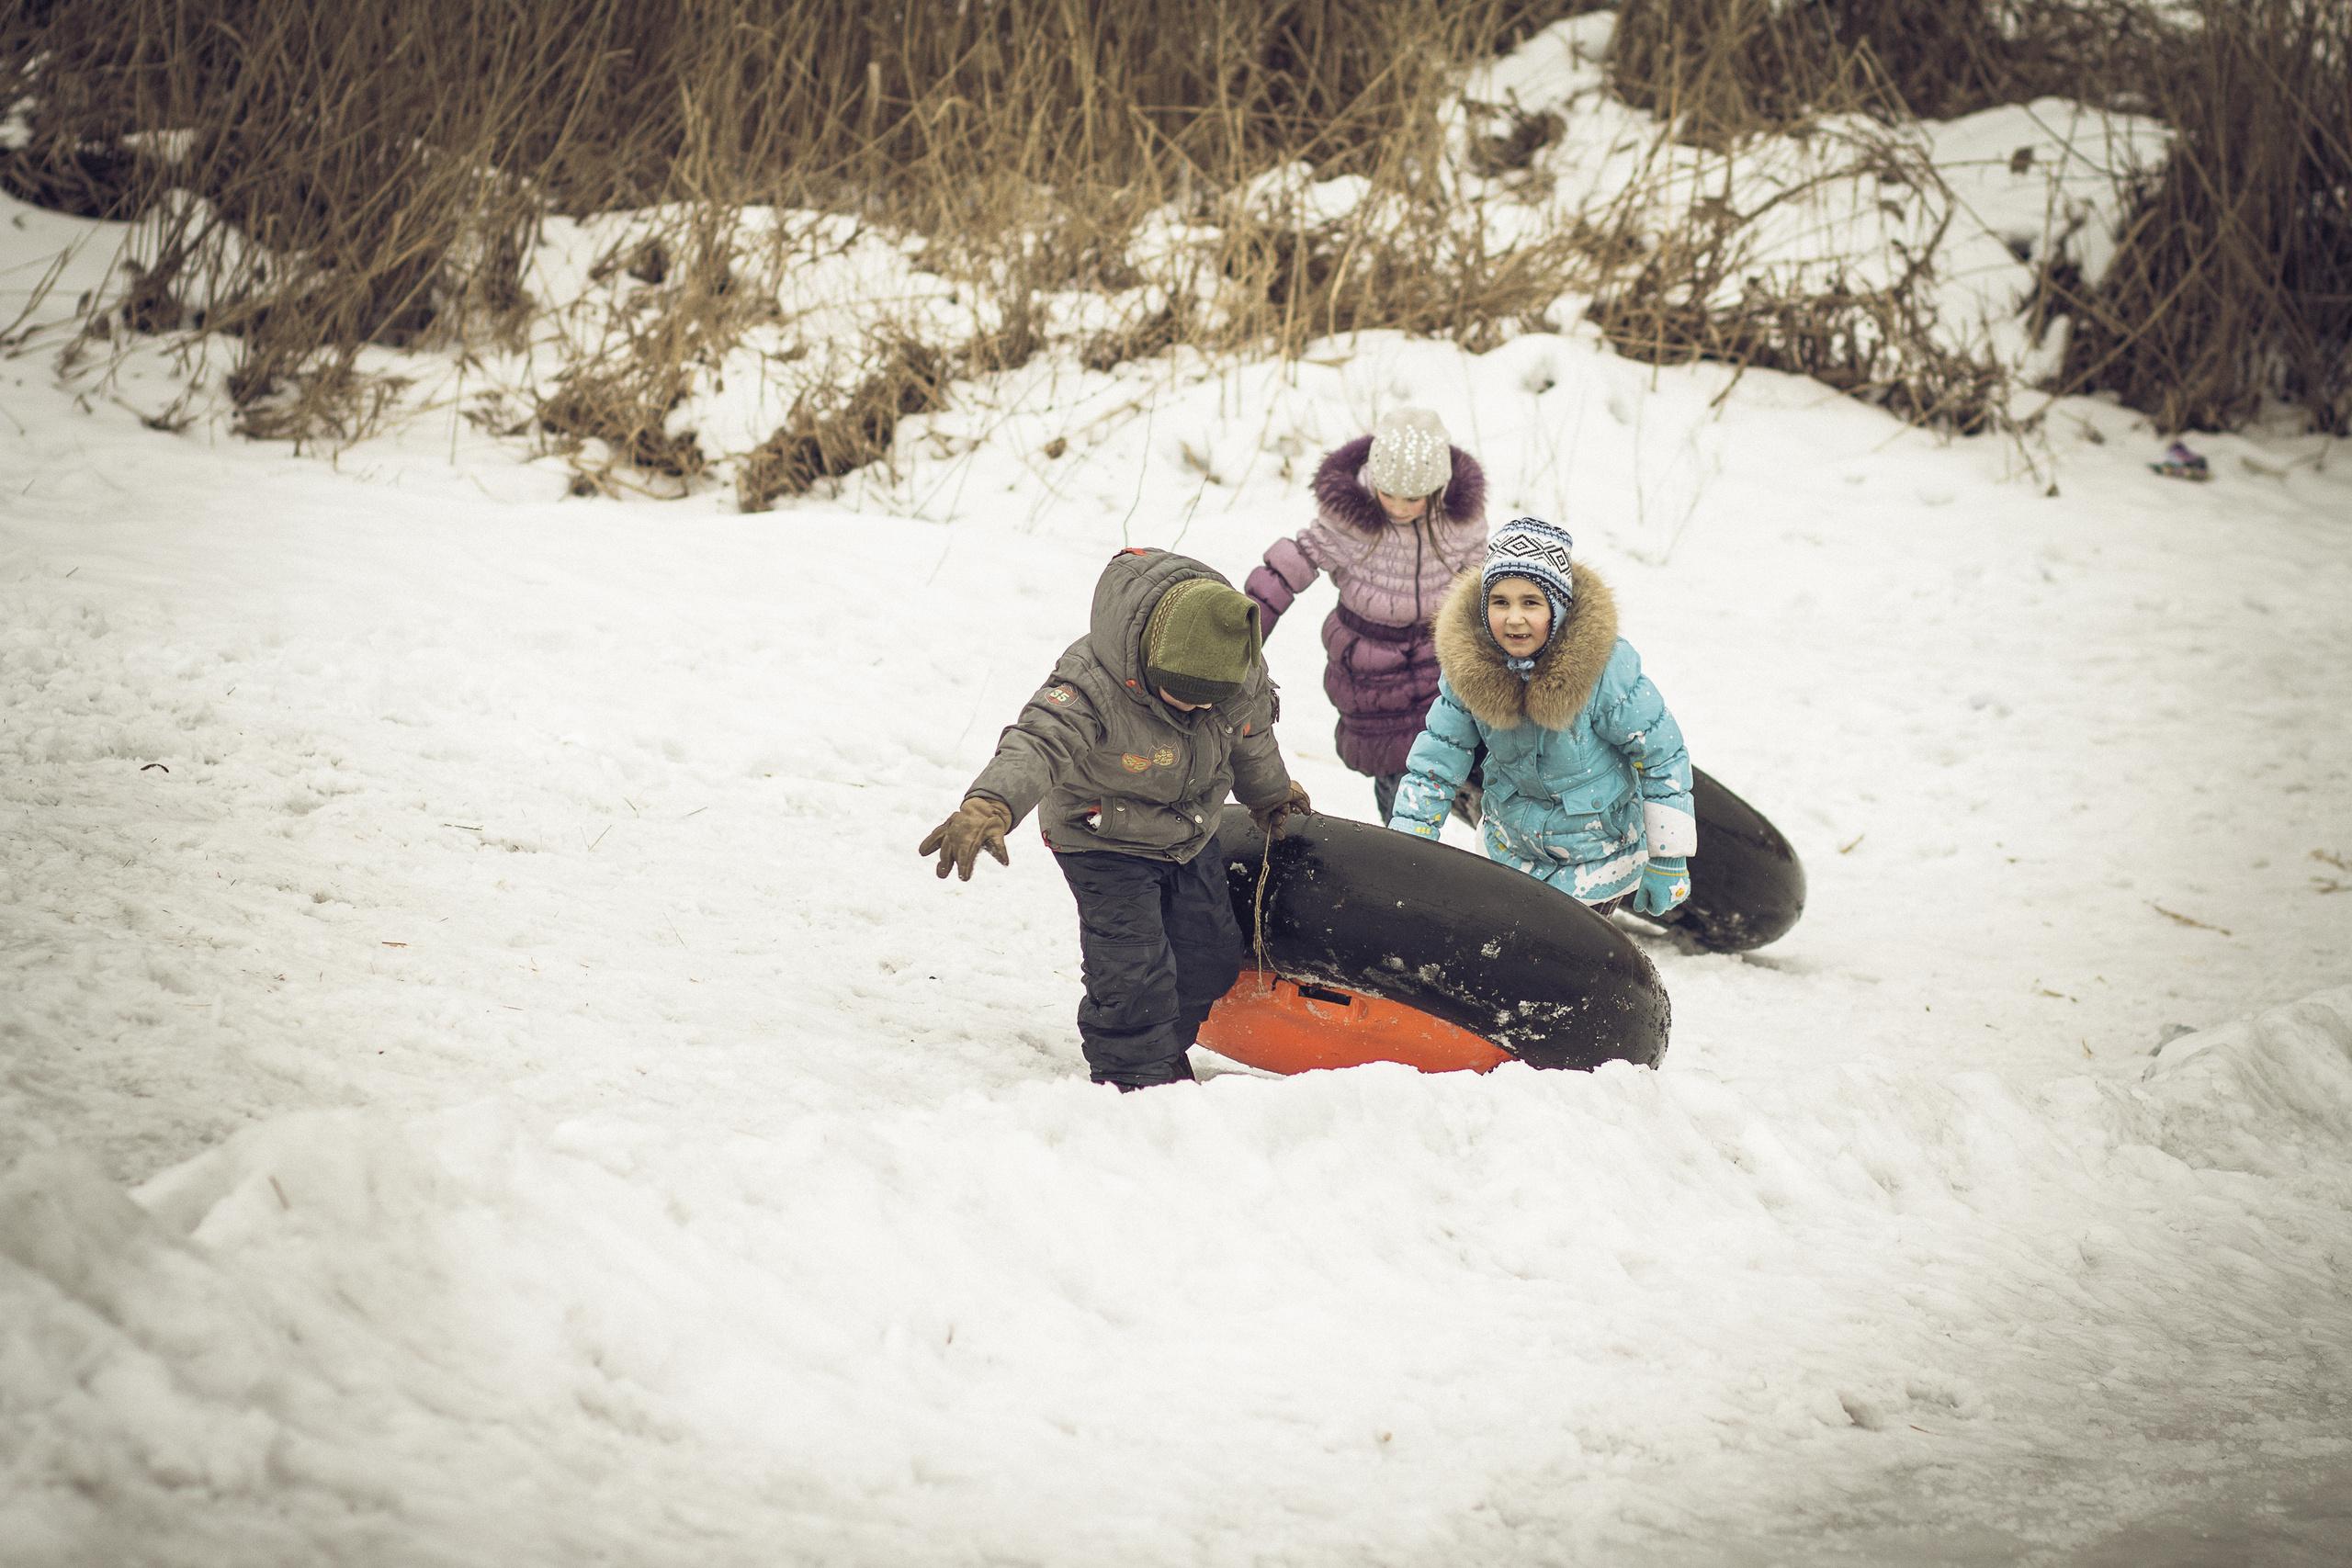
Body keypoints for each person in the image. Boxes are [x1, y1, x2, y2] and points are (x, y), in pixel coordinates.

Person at [919, 547, 1312, 1090]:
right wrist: (992, 804)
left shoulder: (1235, 672)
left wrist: (1269, 796)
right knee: (1132, 969)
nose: (1197, 712)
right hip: (1100, 836)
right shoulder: (1091, 685)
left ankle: (1163, 1052)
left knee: (1211, 959)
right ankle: (1135, 1081)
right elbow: (1039, 741)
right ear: (1151, 665)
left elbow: (1251, 741)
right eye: (1186, 699)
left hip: (1187, 834)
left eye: (1209, 703)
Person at [1385, 517, 1695, 919]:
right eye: (1500, 602)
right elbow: (1437, 759)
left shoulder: (1605, 670)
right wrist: (1410, 839)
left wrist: (1668, 858)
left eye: (1530, 602)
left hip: (1594, 860)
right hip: (1509, 849)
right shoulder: (1470, 669)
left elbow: (1661, 756)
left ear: (1558, 608)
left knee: (1568, 966)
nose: (1514, 618)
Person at [1243, 406, 1487, 826]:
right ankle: (1403, 850)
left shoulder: (1458, 524)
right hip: (1371, 669)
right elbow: (1290, 566)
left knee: (1462, 744)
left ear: (1438, 487)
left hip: (1440, 658)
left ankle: (1492, 833)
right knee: (1397, 765)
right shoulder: (1352, 520)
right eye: (1387, 492)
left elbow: (1482, 582)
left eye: (1412, 498)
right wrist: (1240, 631)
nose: (1398, 506)